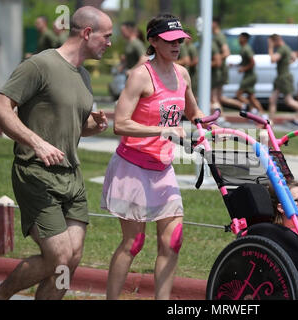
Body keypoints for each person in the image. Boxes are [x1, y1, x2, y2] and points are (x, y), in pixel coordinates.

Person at [0, 6, 112, 300]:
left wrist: (92, 126)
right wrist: (37, 142)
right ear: (86, 33)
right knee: (57, 255)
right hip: (36, 174)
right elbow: (0, 109)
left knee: (71, 259)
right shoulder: (40, 65)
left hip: (72, 176)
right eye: (106, 36)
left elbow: (73, 127)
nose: (109, 43)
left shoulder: (83, 76)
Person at [101, 14, 216, 300]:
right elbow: (120, 123)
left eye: (180, 40)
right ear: (153, 41)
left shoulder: (182, 74)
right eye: (169, 40)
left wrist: (204, 125)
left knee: (173, 241)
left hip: (163, 168)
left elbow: (192, 112)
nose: (176, 45)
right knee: (133, 243)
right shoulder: (141, 75)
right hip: (132, 167)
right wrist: (162, 129)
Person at [268, 33, 298, 124]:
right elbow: (293, 58)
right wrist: (286, 62)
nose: (271, 44)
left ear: (276, 41)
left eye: (271, 42)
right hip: (280, 77)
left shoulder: (282, 49)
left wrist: (270, 48)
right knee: (272, 99)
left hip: (284, 78)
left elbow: (273, 59)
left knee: (289, 101)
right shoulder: (286, 47)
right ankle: (270, 121)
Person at [212, 17, 245, 122]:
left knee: (214, 98)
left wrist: (215, 60)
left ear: (215, 23)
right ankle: (243, 106)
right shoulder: (216, 36)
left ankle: (221, 118)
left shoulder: (219, 37)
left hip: (219, 71)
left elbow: (226, 52)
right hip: (219, 71)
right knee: (219, 98)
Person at [235, 32, 265, 116]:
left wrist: (243, 69)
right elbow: (245, 62)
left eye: (240, 38)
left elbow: (252, 62)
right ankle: (262, 113)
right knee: (251, 97)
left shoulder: (247, 49)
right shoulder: (243, 48)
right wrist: (236, 65)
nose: (239, 39)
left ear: (245, 39)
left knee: (238, 94)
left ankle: (252, 109)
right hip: (248, 76)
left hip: (250, 76)